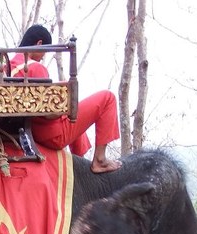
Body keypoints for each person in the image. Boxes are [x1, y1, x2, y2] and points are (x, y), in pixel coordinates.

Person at [13, 24, 122, 173]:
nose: (44, 56)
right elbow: (49, 112)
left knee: (74, 107)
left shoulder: (10, 65)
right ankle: (99, 159)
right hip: (50, 133)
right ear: (39, 44)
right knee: (107, 98)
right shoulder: (35, 68)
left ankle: (80, 159)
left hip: (32, 128)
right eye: (45, 51)